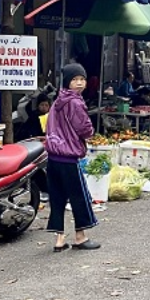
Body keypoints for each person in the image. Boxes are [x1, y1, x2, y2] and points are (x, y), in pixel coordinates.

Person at [44, 64, 99, 253]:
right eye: (75, 79)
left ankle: (59, 240)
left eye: (82, 79)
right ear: (67, 82)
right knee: (79, 197)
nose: (80, 83)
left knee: (57, 197)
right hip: (68, 157)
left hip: (53, 156)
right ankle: (80, 237)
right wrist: (89, 133)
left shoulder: (57, 101)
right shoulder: (75, 102)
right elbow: (84, 128)